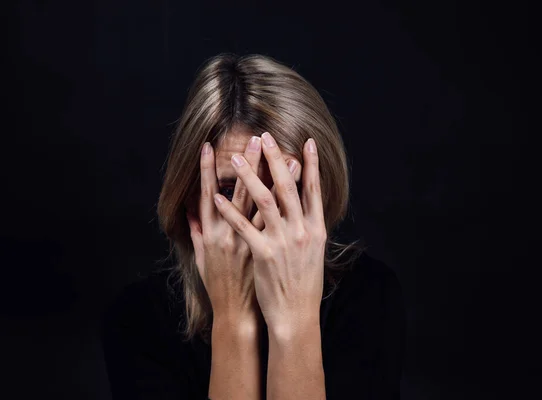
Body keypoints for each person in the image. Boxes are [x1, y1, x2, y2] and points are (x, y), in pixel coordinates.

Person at [102, 53, 405, 399]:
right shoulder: (139, 319)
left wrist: (294, 321)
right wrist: (234, 320)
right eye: (232, 190)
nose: (262, 217)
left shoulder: (369, 299)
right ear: (189, 197)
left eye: (283, 186)